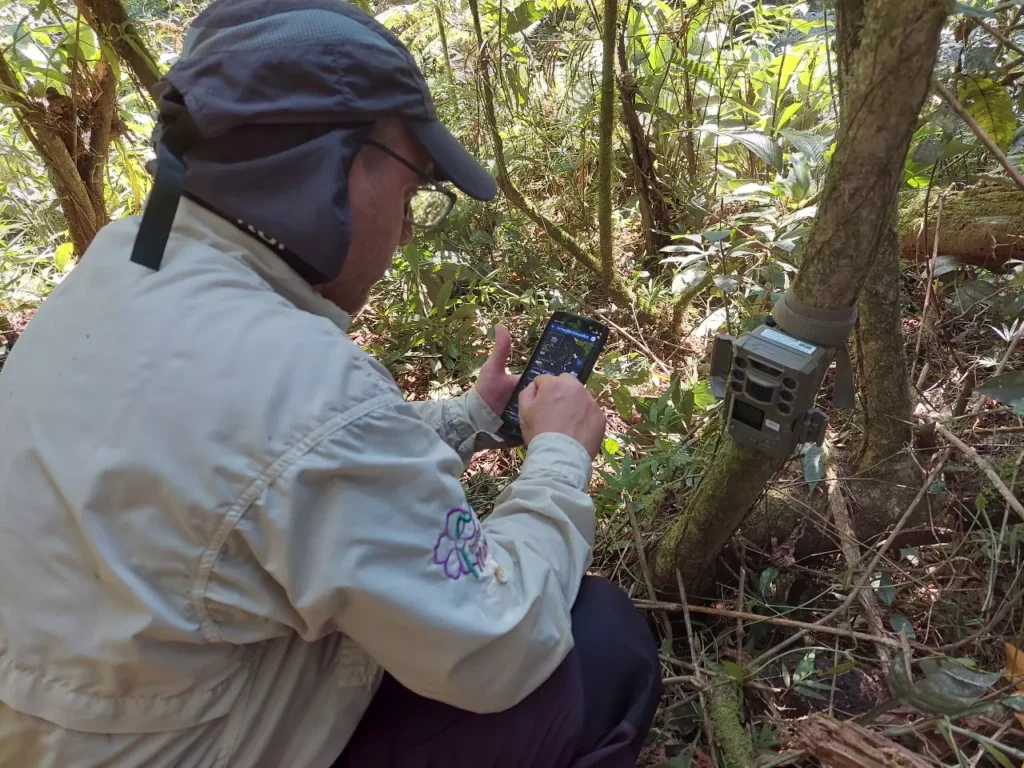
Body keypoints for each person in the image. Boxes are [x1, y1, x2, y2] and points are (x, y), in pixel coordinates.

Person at [0, 1, 661, 766]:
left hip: (72, 728)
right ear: (326, 166)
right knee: (601, 644)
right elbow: (500, 646)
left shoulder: (124, 262)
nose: (407, 229)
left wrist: (475, 416)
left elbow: (255, 458)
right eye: (412, 189)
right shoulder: (309, 385)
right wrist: (560, 460)